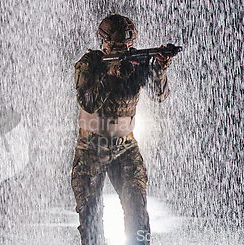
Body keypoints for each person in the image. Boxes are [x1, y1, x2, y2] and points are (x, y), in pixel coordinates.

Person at [71, 13, 177, 245]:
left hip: (125, 148)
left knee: (138, 214)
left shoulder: (136, 63)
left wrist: (159, 69)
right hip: (91, 148)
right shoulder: (90, 64)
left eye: (129, 46)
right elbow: (88, 103)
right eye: (119, 46)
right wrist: (111, 75)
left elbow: (159, 96)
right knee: (90, 221)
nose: (126, 51)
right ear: (105, 43)